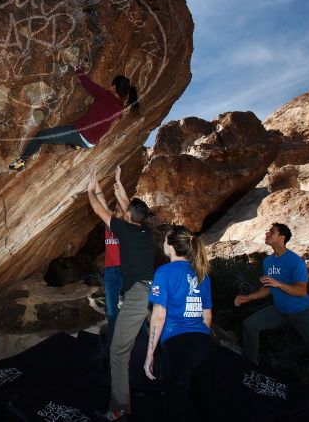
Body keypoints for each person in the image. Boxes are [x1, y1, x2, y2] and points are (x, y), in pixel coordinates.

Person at [234, 223, 309, 408]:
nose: (267, 234)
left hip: (302, 313)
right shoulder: (268, 262)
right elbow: (269, 287)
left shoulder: (295, 261)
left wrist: (279, 284)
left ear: (282, 237)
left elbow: (301, 290)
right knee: (250, 325)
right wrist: (249, 297)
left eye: (271, 232)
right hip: (280, 311)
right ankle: (252, 371)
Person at [87, 165, 155, 421]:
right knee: (123, 349)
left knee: (118, 352)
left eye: (126, 211)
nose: (124, 211)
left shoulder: (125, 230)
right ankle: (124, 405)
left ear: (128, 217)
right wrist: (118, 181)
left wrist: (91, 189)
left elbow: (97, 208)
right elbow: (130, 206)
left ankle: (117, 409)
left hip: (138, 294)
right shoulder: (145, 231)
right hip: (148, 292)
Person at [8, 60, 139, 171]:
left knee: (40, 136)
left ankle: (21, 162)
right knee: (71, 132)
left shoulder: (105, 95)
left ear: (114, 87)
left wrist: (78, 69)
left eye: (111, 86)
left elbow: (88, 84)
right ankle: (75, 145)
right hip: (91, 143)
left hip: (80, 134)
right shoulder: (120, 108)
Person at [144, 226, 214, 422]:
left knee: (174, 409)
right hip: (204, 345)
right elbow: (206, 315)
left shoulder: (164, 272)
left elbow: (159, 315)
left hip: (178, 347)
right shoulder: (202, 272)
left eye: (165, 240)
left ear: (172, 246)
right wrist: (198, 341)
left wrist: (150, 353)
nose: (163, 243)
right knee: (204, 405)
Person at [91, 166, 130, 336]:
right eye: (115, 208)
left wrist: (119, 181)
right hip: (110, 269)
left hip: (126, 269)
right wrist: (94, 179)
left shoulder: (129, 226)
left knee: (132, 305)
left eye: (118, 207)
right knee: (111, 306)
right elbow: (100, 200)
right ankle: (115, 336)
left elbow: (128, 205)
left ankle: (137, 335)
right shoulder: (110, 222)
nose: (115, 209)